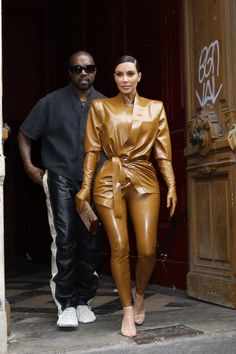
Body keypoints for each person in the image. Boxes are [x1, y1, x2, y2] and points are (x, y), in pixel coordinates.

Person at [75, 55, 177, 337]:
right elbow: (92, 150)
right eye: (119, 74)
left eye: (130, 74)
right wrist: (85, 187)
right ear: (114, 78)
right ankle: (127, 310)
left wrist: (172, 184)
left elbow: (163, 153)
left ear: (139, 76)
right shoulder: (101, 107)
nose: (125, 79)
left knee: (145, 249)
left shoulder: (155, 108)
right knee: (119, 246)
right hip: (110, 178)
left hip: (144, 177)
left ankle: (140, 291)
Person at [17, 50, 106, 328]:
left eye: (88, 68)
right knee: (65, 239)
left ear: (95, 72)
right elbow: (24, 133)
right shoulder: (50, 103)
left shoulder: (105, 105)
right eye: (77, 69)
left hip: (94, 181)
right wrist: (30, 166)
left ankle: (83, 300)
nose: (83, 73)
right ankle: (66, 303)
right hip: (60, 178)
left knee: (90, 241)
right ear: (69, 72)